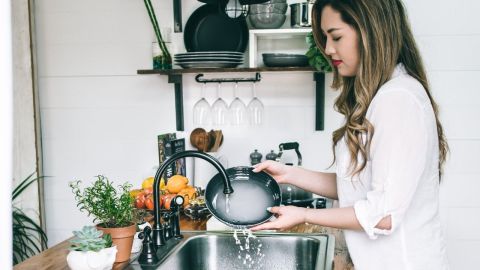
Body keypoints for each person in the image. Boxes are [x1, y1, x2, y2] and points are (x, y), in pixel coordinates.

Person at [250, 0, 450, 269]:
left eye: (336, 36)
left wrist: (304, 214)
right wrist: (288, 174)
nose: (329, 49)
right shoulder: (383, 96)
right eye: (325, 38)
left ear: (370, 31)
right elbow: (356, 187)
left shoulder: (397, 100)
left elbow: (383, 215)